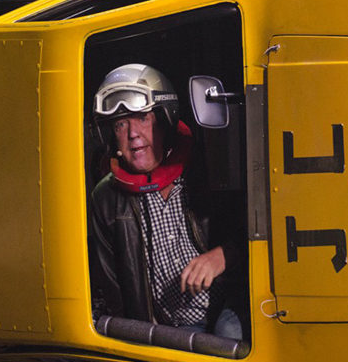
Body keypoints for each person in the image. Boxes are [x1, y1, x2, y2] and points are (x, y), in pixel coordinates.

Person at [89, 64, 246, 341]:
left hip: (231, 310)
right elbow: (114, 288)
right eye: (120, 124)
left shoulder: (209, 166)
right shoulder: (105, 198)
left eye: (142, 119)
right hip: (176, 331)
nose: (133, 134)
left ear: (164, 119)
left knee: (228, 334)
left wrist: (224, 255)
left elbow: (266, 237)